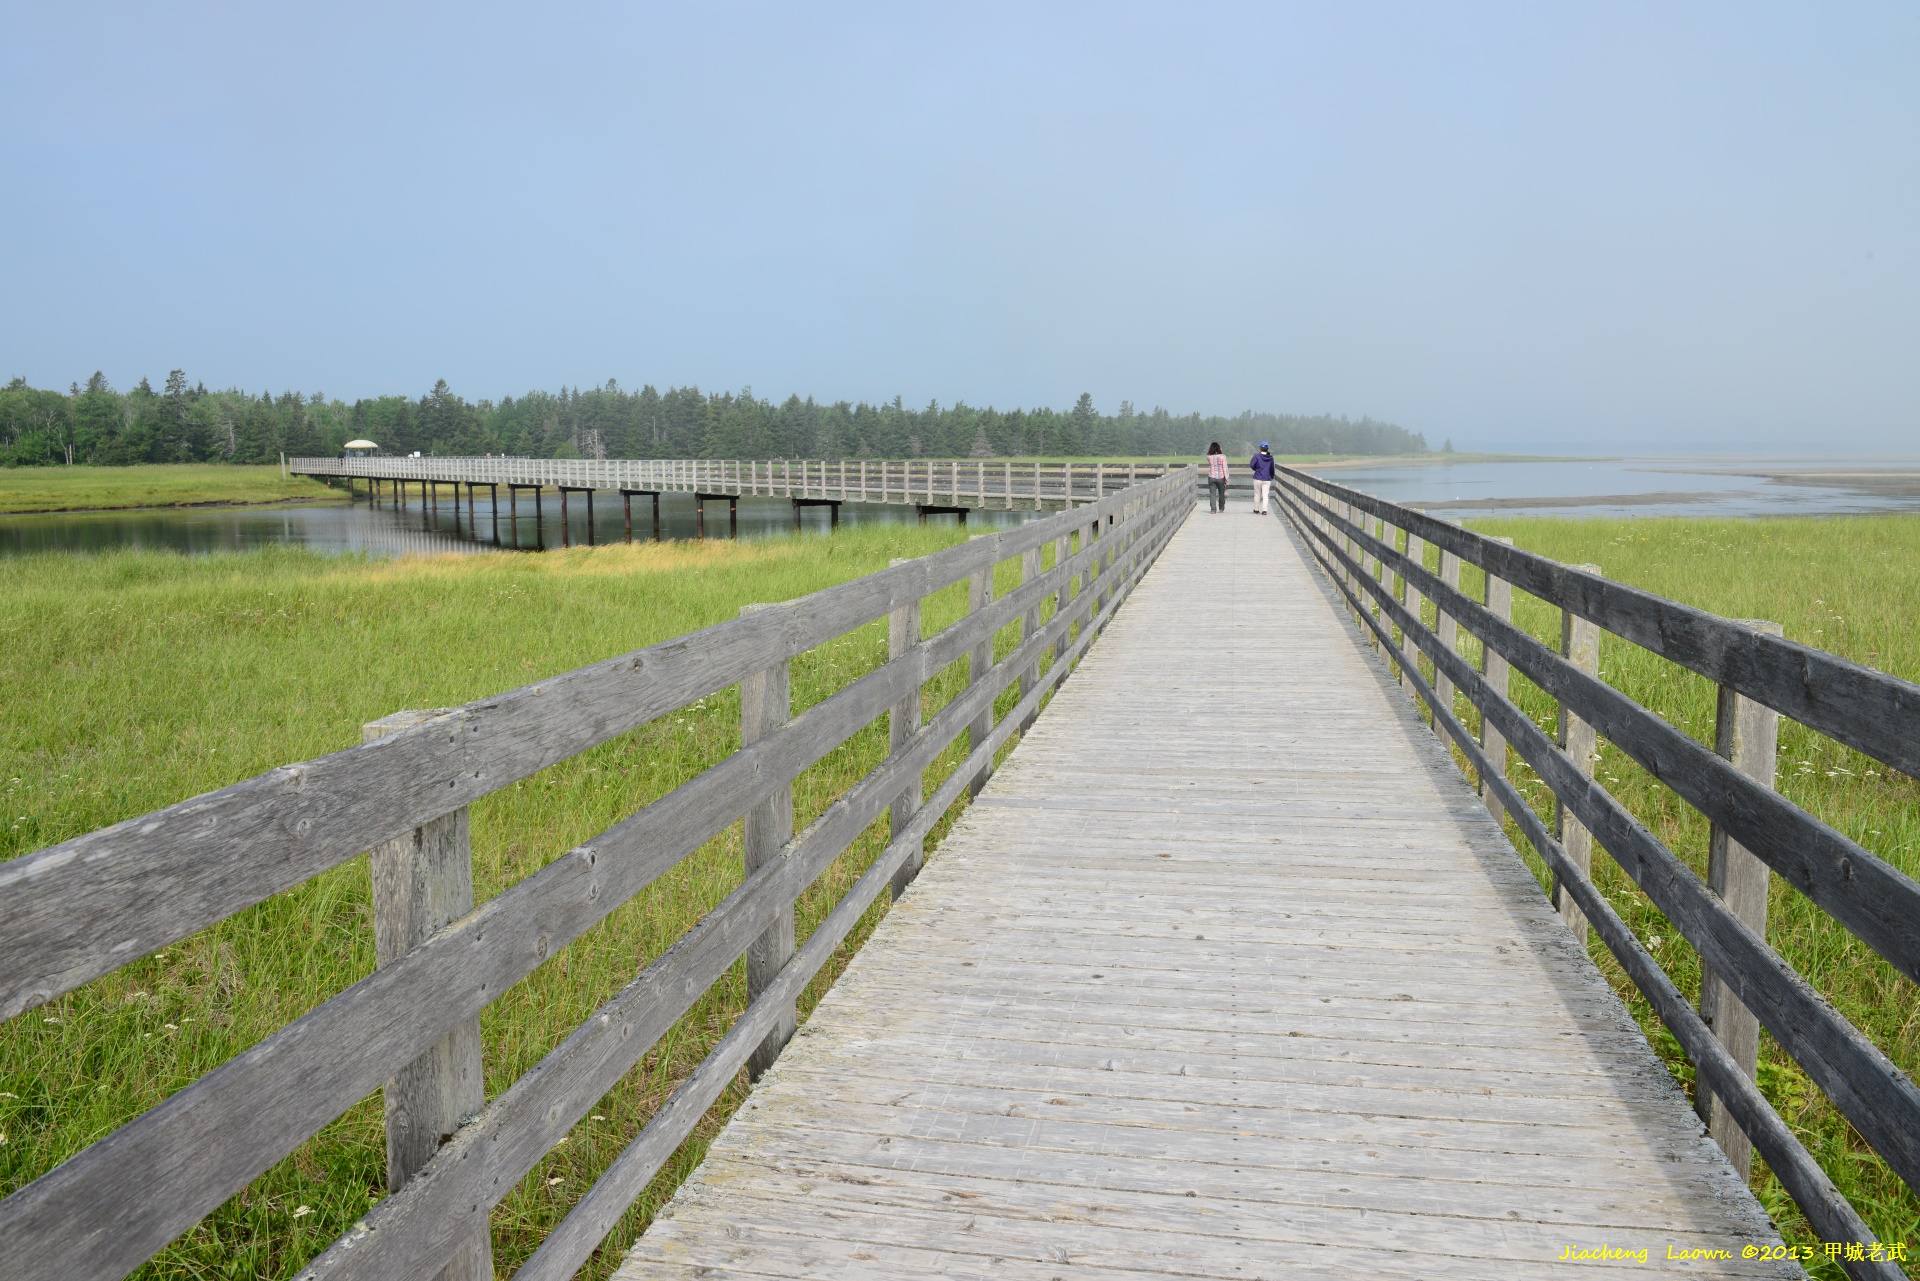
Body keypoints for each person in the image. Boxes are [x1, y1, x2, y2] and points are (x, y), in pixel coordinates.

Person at [1248, 442, 1277, 513]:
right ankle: (1264, 510)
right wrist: (1271, 476)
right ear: (1267, 449)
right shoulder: (1270, 457)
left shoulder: (1257, 456)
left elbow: (1252, 465)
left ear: (1260, 448)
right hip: (1267, 478)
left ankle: (1256, 509)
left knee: (1257, 494)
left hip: (1258, 477)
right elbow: (1272, 469)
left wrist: (1256, 469)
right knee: (1265, 495)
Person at [1205, 443, 1229, 512]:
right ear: (1218, 448)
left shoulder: (1209, 457)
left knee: (1212, 494)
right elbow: (1225, 468)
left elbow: (1209, 454)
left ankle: (1213, 509)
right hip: (1221, 477)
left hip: (1211, 477)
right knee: (1221, 493)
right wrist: (1227, 478)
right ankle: (1221, 508)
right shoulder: (1223, 457)